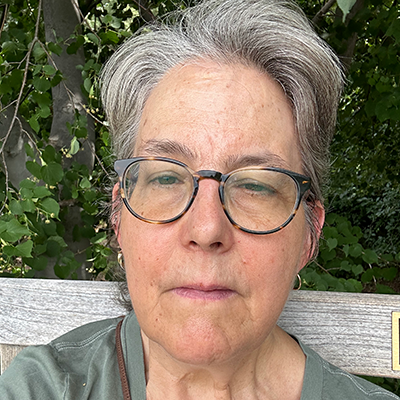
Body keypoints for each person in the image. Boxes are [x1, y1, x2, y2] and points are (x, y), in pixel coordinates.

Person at [0, 0, 398, 399]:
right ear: (118, 217)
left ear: (309, 235)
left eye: (256, 185)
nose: (206, 229)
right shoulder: (42, 389)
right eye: (166, 178)